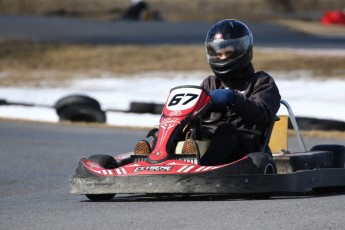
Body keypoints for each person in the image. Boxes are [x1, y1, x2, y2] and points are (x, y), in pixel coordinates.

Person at [199, 19, 281, 166]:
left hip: (246, 147)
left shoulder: (261, 81)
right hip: (210, 140)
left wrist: (234, 98)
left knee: (227, 132)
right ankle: (155, 160)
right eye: (219, 54)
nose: (223, 58)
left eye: (228, 52)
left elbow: (263, 114)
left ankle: (203, 168)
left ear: (242, 51)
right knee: (178, 131)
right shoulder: (210, 83)